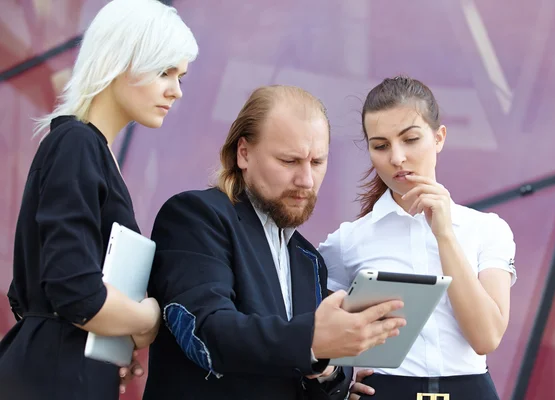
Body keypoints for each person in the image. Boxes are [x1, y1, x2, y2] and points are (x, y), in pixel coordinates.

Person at [142, 85, 406, 400]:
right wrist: (313, 341)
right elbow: (206, 334)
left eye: (317, 162)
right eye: (289, 161)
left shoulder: (309, 259)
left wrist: (333, 371)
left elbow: (297, 373)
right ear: (244, 153)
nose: (306, 180)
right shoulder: (195, 217)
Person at [0, 1, 198, 399]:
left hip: (63, 368)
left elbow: (37, 292)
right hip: (54, 377)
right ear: (120, 61)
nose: (176, 90)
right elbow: (75, 292)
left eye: (180, 75)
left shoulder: (86, 149)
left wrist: (110, 341)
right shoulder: (77, 145)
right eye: (164, 71)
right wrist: (147, 318)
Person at [318, 75, 517, 400]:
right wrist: (339, 382)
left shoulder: (488, 229)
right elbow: (316, 337)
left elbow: (486, 337)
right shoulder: (347, 241)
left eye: (410, 139)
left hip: (470, 390)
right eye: (380, 145)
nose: (396, 157)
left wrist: (444, 234)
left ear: (439, 138)